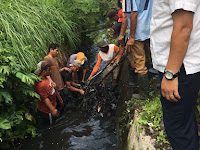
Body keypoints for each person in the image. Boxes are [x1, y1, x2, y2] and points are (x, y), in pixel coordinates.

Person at [151, 1, 200, 149]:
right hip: (180, 65)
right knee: (185, 121)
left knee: (178, 129)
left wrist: (170, 74)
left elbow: (183, 27)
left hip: (179, 68)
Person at [118, 0, 153, 99]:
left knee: (140, 64)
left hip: (138, 32)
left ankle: (143, 94)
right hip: (150, 28)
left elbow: (130, 14)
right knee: (152, 55)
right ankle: (156, 81)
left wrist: (130, 36)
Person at [35, 61, 63, 130]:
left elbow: (49, 78)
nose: (50, 71)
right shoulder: (41, 84)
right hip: (46, 112)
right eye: (49, 70)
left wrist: (53, 83)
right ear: (44, 71)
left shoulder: (46, 76)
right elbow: (45, 99)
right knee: (49, 128)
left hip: (53, 104)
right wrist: (53, 110)